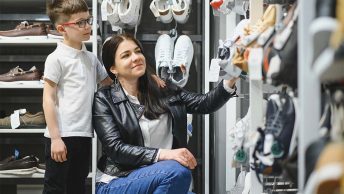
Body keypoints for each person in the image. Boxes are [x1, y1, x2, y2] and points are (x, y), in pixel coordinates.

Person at [93, 33, 238, 194]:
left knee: (176, 174)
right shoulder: (104, 98)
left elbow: (204, 104)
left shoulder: (163, 89)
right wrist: (164, 154)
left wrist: (232, 76)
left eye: (137, 51)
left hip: (162, 176)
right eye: (126, 55)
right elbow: (116, 149)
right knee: (178, 171)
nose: (135, 57)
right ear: (113, 68)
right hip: (119, 181)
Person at [43, 0, 112, 193]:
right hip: (61, 135)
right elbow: (48, 98)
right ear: (61, 28)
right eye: (80, 23)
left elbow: (109, 82)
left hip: (83, 134)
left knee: (77, 185)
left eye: (88, 20)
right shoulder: (56, 58)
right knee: (55, 188)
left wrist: (147, 78)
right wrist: (56, 138)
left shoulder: (90, 58)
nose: (88, 26)